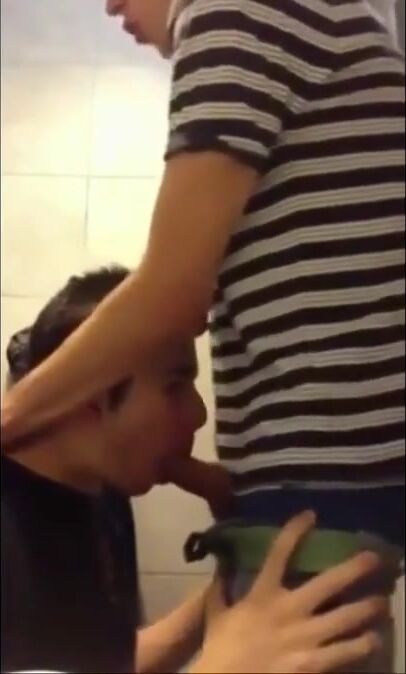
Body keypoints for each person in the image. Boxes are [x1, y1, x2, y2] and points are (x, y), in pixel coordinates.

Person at [1, 0, 404, 670]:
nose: (109, 4)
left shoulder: (237, 12)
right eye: (175, 385)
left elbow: (171, 294)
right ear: (94, 399)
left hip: (317, 506)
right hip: (324, 506)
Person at [1, 267, 388, 674]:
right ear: (93, 396)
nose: (199, 414)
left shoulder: (103, 494)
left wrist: (241, 575)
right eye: (174, 386)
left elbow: (99, 662)